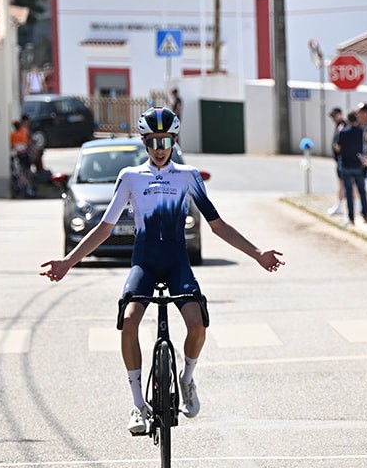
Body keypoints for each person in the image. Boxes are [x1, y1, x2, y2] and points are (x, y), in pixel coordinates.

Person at [41, 108, 282, 434]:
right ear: (144, 142)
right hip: (145, 262)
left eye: (165, 140)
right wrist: (68, 262)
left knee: (197, 324)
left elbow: (217, 225)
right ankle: (138, 404)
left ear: (173, 140)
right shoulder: (130, 177)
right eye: (153, 141)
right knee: (128, 321)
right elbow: (104, 227)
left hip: (176, 262)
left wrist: (256, 254)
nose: (159, 147)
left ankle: (186, 378)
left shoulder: (188, 176)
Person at [333, 112, 367, 227]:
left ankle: (351, 217)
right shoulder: (360, 131)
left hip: (346, 164)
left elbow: (338, 147)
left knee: (349, 192)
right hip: (358, 164)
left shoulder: (343, 131)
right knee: (362, 191)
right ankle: (365, 214)